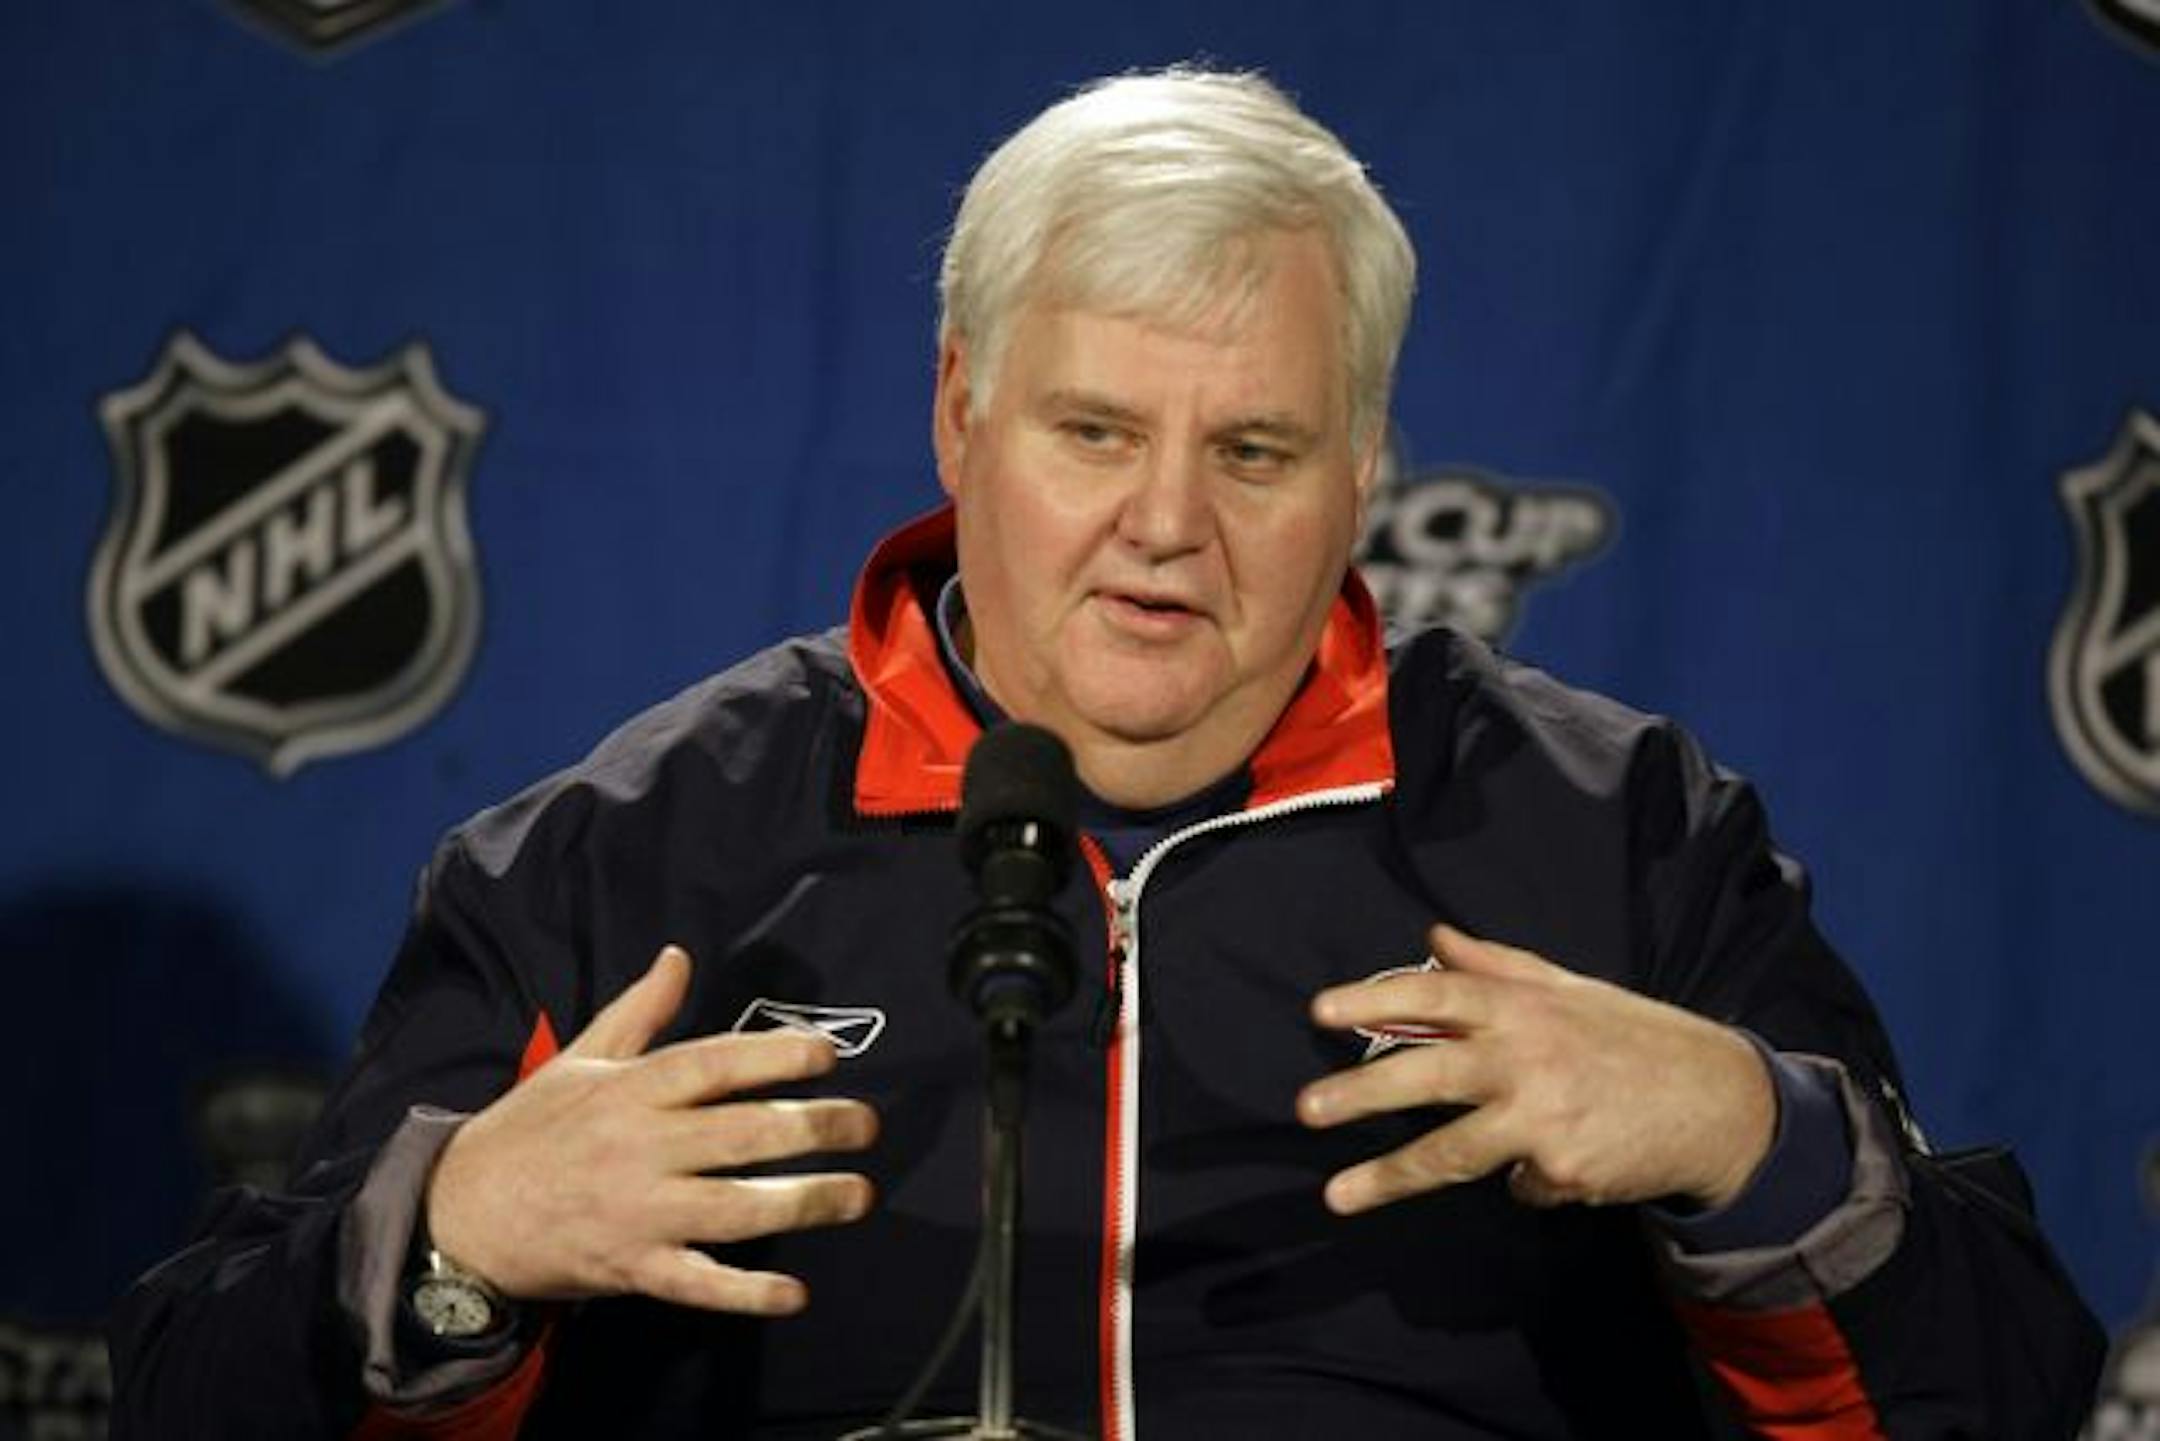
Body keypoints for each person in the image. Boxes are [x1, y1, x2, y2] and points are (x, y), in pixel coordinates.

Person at [110, 67, 2104, 1439]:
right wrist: (454, 1246)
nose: (1168, 524)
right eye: (1092, 434)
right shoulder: (633, 861)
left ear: (1366, 475)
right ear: (960, 416)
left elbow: (2008, 1389)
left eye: (1253, 450)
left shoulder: (1613, 841)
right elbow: (192, 1389)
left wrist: (1757, 1139)